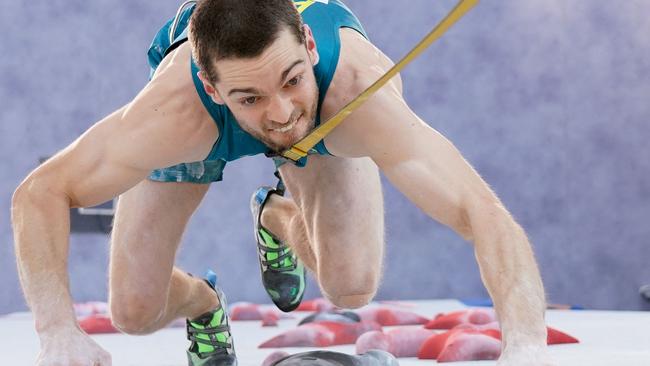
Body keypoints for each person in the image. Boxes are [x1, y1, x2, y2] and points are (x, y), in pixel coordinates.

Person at [11, 0, 556, 365]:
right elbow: (39, 194)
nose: (279, 115)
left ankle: (274, 213)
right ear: (212, 85)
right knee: (132, 312)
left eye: (291, 80)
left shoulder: (357, 95)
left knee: (350, 286)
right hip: (203, 122)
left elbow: (480, 212)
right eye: (251, 97)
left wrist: (526, 346)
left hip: (331, 120)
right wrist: (56, 330)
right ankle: (204, 301)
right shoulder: (173, 113)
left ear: (310, 50)